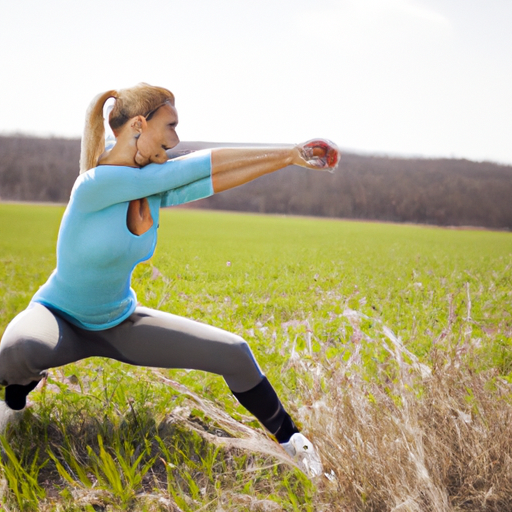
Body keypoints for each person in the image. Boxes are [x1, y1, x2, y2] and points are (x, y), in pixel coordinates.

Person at [0, 83, 339, 478]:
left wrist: (288, 161)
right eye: (171, 126)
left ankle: (293, 444)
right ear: (139, 125)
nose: (177, 139)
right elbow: (197, 165)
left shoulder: (151, 187)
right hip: (58, 316)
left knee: (234, 352)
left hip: (118, 323)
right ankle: (15, 401)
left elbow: (213, 178)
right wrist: (287, 151)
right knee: (19, 348)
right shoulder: (96, 183)